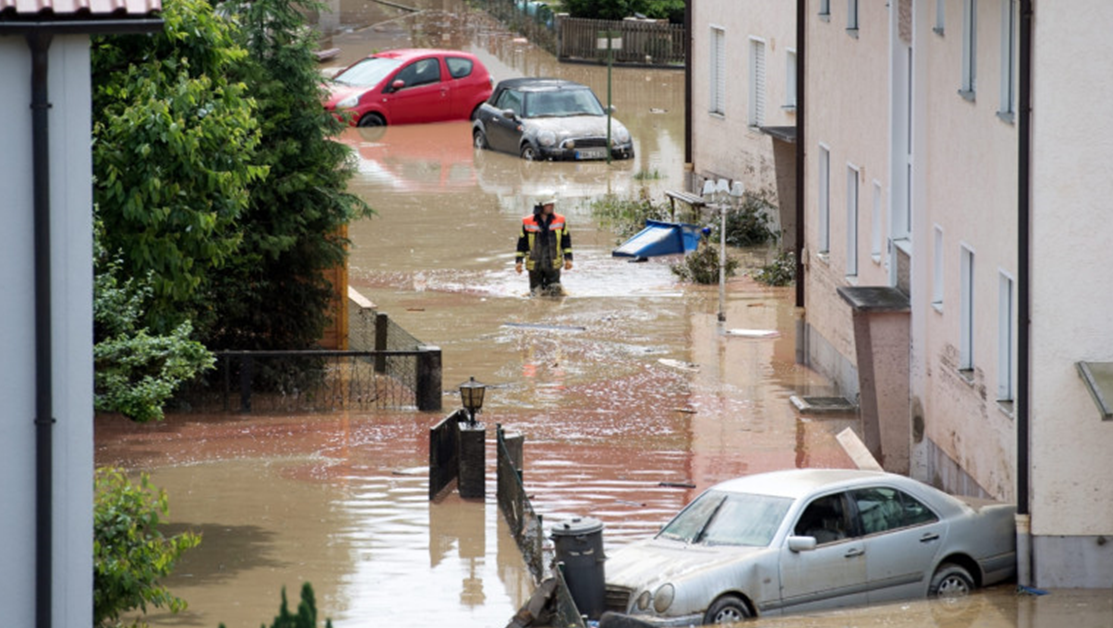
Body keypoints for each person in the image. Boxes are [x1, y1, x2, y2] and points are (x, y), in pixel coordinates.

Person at [515, 196, 572, 296]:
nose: (552, 206)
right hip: (535, 265)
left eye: (552, 204)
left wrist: (568, 259)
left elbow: (566, 242)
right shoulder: (528, 222)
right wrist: (519, 261)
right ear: (540, 206)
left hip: (553, 264)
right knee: (535, 294)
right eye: (548, 204)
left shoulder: (560, 220)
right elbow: (522, 244)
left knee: (555, 294)